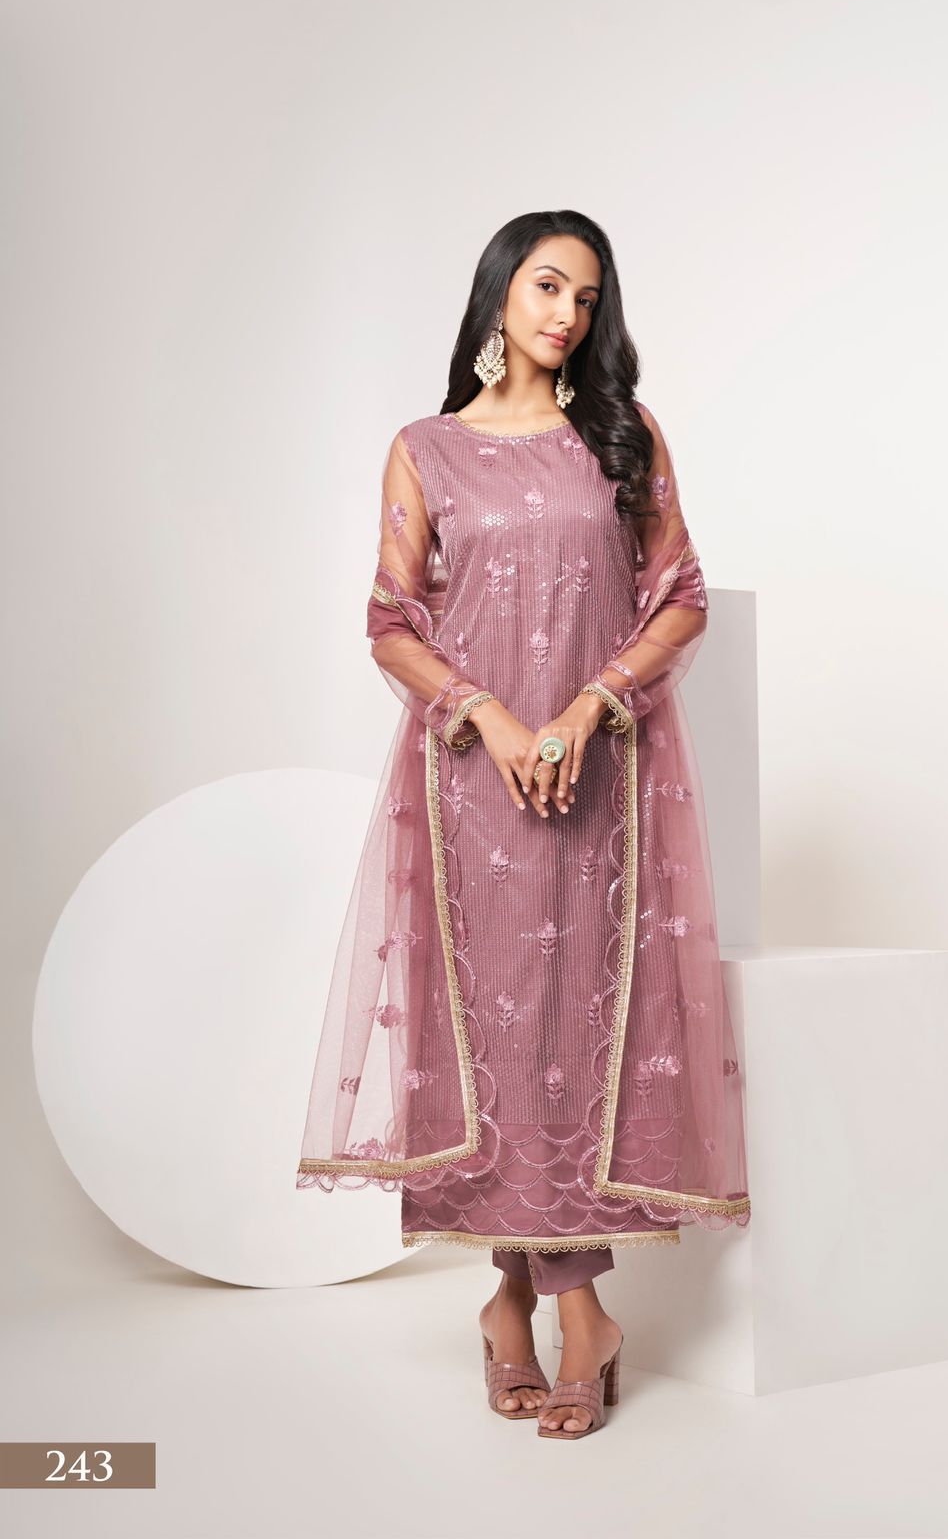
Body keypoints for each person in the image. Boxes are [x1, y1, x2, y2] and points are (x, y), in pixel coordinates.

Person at [297, 209, 750, 1440]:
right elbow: (391, 619)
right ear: (499, 292)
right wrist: (488, 718)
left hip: (597, 777)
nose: (566, 314)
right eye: (547, 286)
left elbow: (679, 593)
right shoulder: (426, 450)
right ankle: (566, 1312)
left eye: (586, 298)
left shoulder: (620, 435)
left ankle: (532, 1308)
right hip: (471, 786)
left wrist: (591, 707)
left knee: (571, 1039)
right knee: (491, 1040)